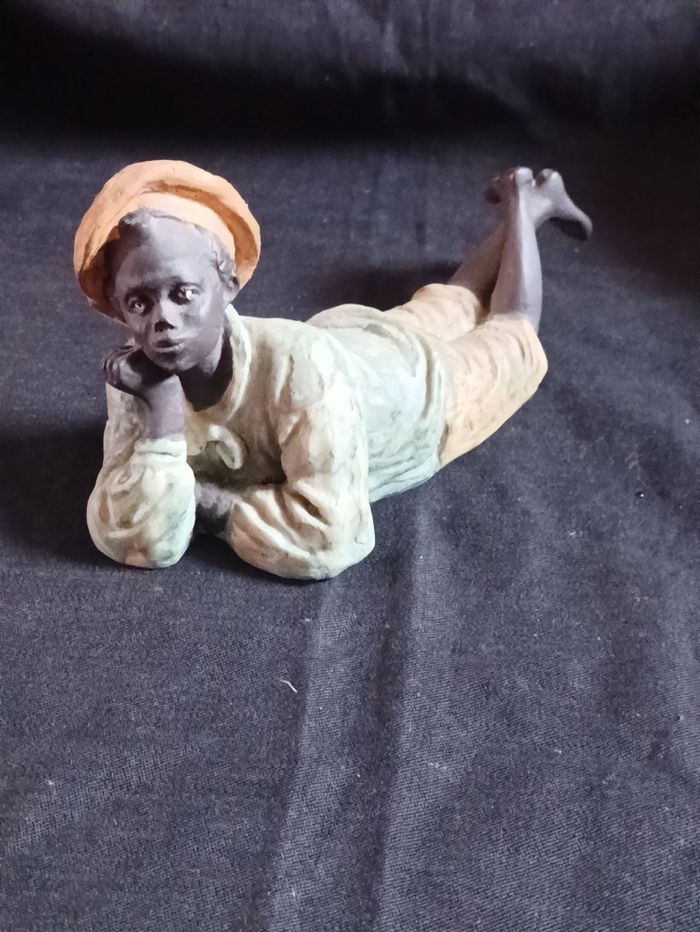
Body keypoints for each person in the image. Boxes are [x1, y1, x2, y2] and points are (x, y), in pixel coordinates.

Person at [74, 160, 591, 579]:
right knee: (451, 299)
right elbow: (136, 540)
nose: (163, 320)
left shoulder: (298, 369)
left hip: (413, 391)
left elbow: (331, 534)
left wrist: (208, 504)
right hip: (349, 343)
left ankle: (525, 203)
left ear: (227, 285)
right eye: (139, 302)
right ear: (120, 309)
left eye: (184, 293)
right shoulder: (139, 376)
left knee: (511, 331)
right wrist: (163, 420)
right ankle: (531, 198)